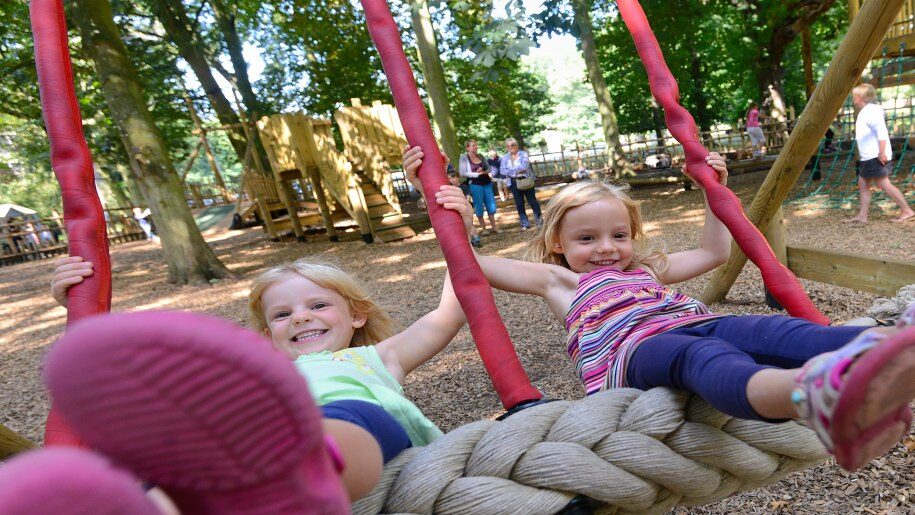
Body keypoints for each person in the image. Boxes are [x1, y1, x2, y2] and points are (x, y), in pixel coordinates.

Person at [404, 148, 915, 472]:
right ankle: (811, 394)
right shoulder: (559, 279)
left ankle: (885, 349)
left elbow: (715, 252)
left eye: (618, 235)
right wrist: (457, 218)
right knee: (706, 361)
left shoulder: (645, 270)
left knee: (769, 331)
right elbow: (468, 264)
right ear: (557, 242)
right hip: (634, 354)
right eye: (587, 238)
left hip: (695, 321)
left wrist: (711, 193)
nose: (606, 248)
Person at [44, 185, 473, 507]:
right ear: (267, 339)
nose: (301, 317)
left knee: (347, 415)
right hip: (252, 447)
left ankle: (283, 474)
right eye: (282, 315)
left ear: (356, 315)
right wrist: (83, 309)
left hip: (359, 439)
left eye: (318, 305)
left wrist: (461, 237)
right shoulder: (261, 375)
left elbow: (446, 314)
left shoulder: (378, 356)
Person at [846, 83, 914, 224]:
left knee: (883, 183)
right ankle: (862, 216)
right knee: (863, 183)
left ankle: (907, 210)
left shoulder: (870, 112)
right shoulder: (869, 110)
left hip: (875, 156)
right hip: (869, 156)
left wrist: (881, 153)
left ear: (859, 97)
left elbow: (882, 133)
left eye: (854, 96)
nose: (853, 99)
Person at [499, 137, 542, 231]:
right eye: (508, 146)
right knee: (519, 203)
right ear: (506, 147)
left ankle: (539, 222)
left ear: (517, 145)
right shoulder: (505, 157)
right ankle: (525, 224)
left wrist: (511, 171)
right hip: (513, 182)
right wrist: (516, 172)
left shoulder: (523, 154)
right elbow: (502, 170)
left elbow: (524, 167)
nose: (511, 147)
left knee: (532, 201)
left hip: (526, 180)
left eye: (513, 145)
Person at [459, 140, 500, 236]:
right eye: (473, 145)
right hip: (475, 184)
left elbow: (489, 168)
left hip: (487, 183)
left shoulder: (480, 156)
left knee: (491, 205)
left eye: (476, 145)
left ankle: (494, 227)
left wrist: (484, 171)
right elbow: (462, 173)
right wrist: (476, 174)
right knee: (479, 205)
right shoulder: (464, 158)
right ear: (467, 148)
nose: (475, 147)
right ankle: (484, 228)